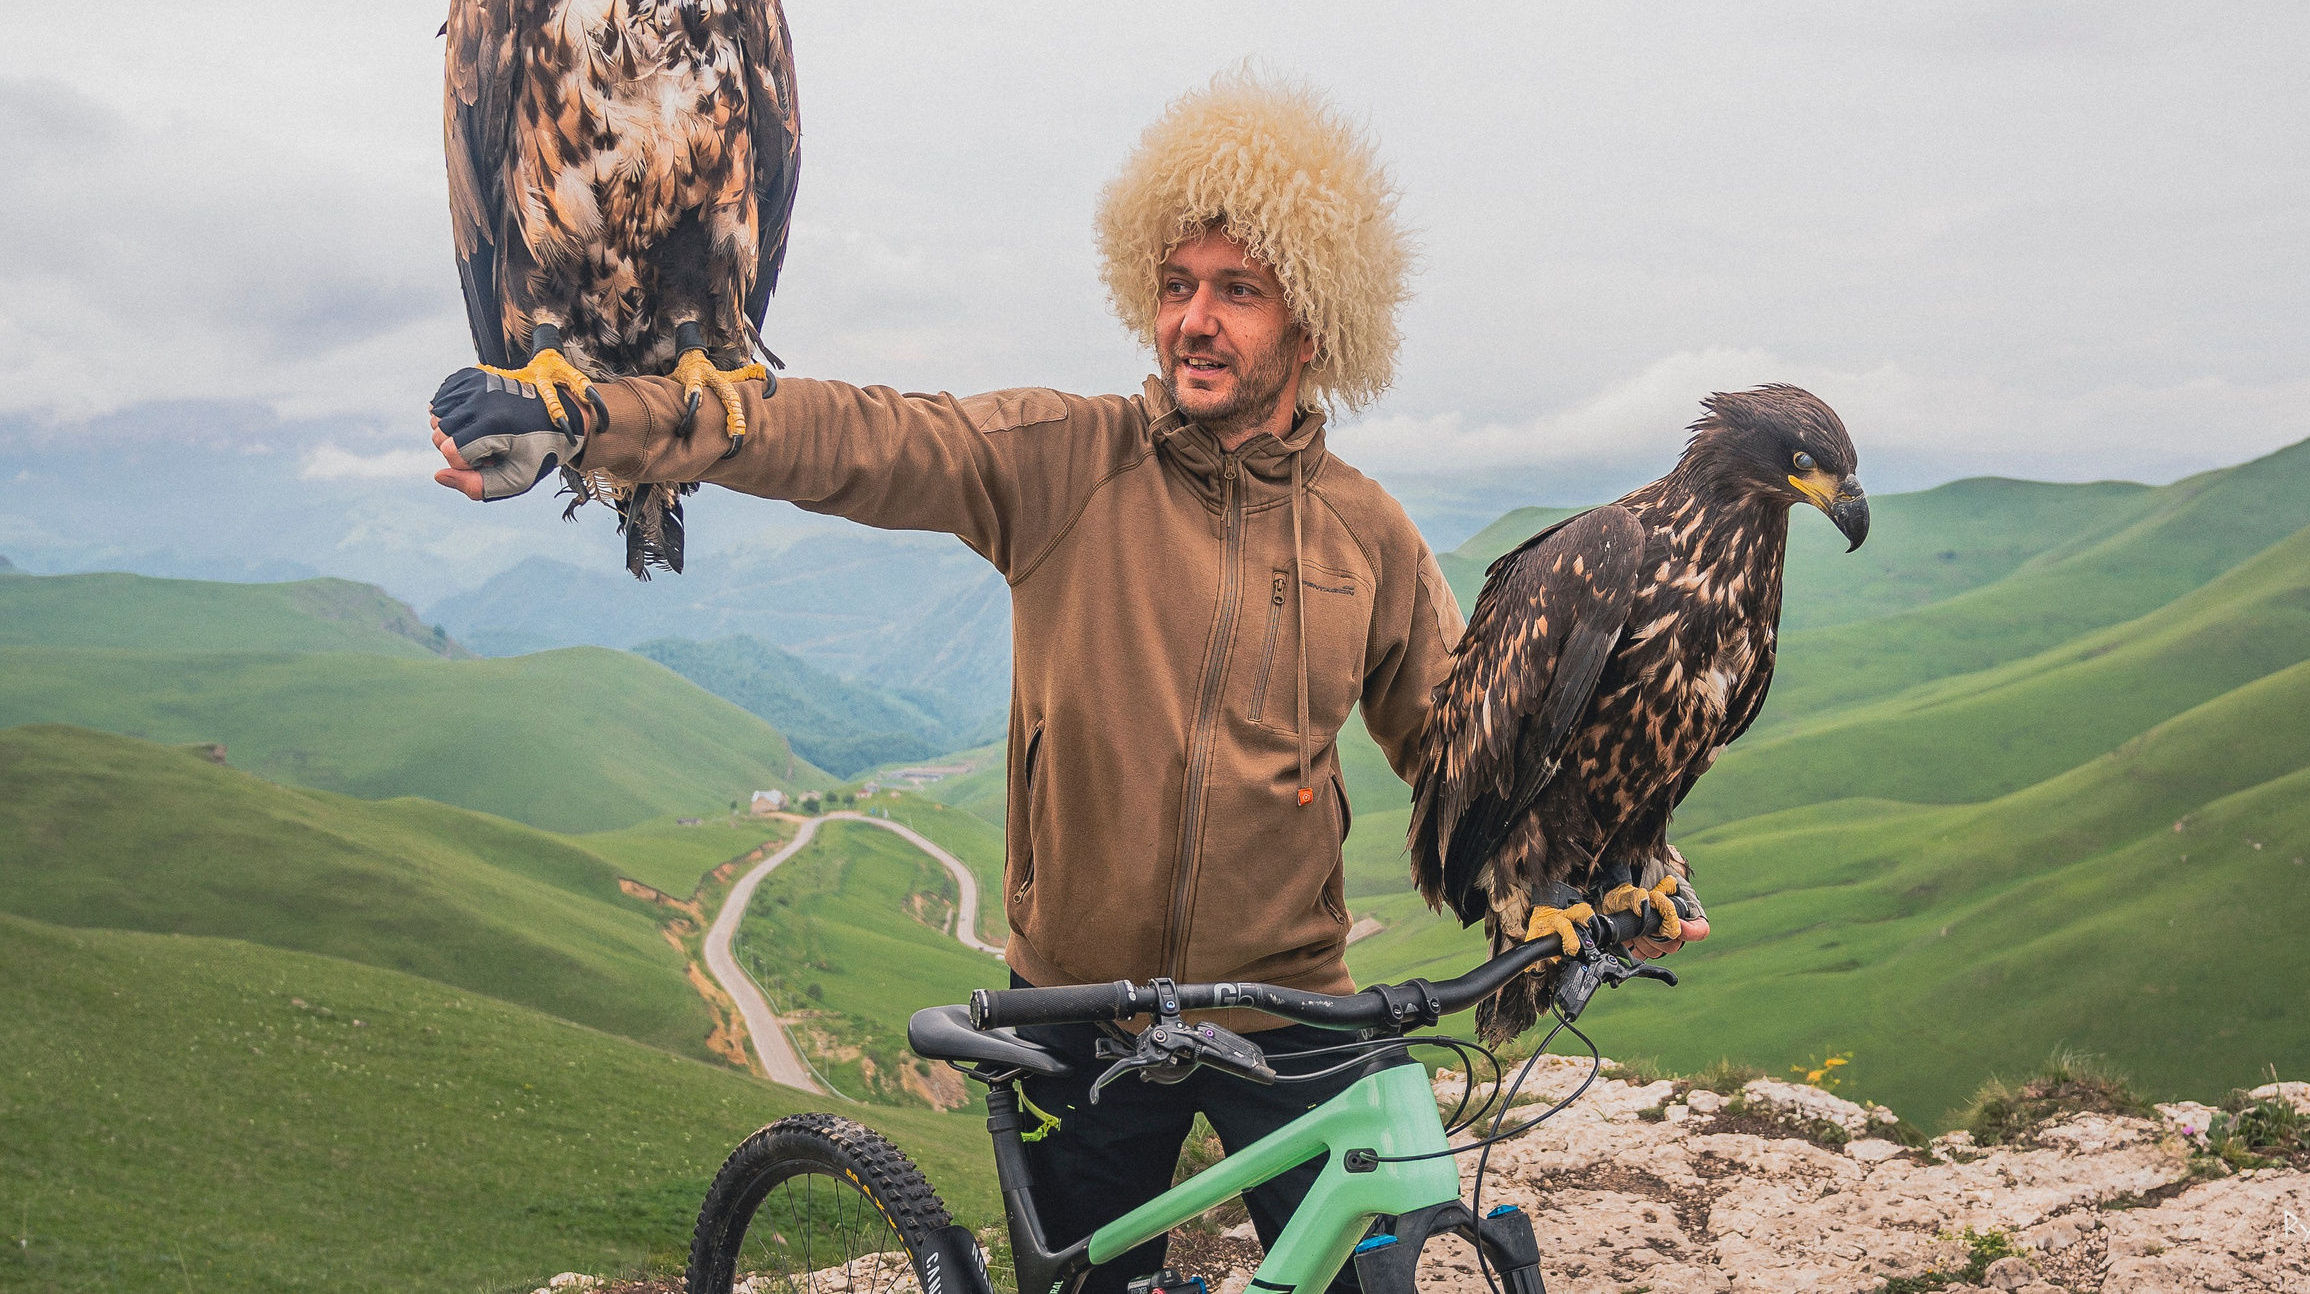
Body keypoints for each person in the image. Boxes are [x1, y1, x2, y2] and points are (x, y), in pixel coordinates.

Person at [428, 67, 1701, 1287]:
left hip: (1294, 1008)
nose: (1192, 319)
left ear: (1313, 317)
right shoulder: (1066, 461)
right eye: (1175, 284)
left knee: (1384, 1270)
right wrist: (594, 416)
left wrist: (1623, 876)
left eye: (1238, 290)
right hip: (1083, 1017)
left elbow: (1469, 758)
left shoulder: (1367, 533)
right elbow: (850, 435)